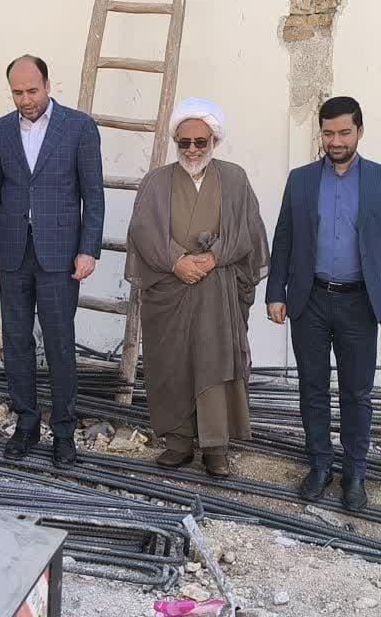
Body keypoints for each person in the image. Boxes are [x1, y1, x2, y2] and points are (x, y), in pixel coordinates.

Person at [266, 96, 381, 511]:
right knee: (312, 388)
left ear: (359, 132)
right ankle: (319, 466)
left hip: (359, 303)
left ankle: (355, 473)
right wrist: (275, 292)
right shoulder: (300, 180)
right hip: (310, 299)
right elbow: (284, 237)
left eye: (344, 132)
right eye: (328, 133)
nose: (336, 141)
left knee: (357, 393)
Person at [125, 99, 269, 478]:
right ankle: (177, 443)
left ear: (213, 141)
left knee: (215, 361)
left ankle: (216, 447)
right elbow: (142, 229)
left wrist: (214, 257)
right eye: (184, 142)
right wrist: (176, 261)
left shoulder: (234, 179)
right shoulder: (156, 181)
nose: (192, 149)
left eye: (200, 142)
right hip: (169, 287)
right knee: (171, 364)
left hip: (217, 291)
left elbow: (249, 230)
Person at [0, 55, 104, 468]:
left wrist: (88, 249)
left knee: (59, 343)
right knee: (16, 342)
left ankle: (63, 432)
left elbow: (93, 195)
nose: (26, 99)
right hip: (12, 252)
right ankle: (27, 424)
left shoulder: (79, 127)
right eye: (17, 92)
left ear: (48, 85)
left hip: (60, 254)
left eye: (32, 90)